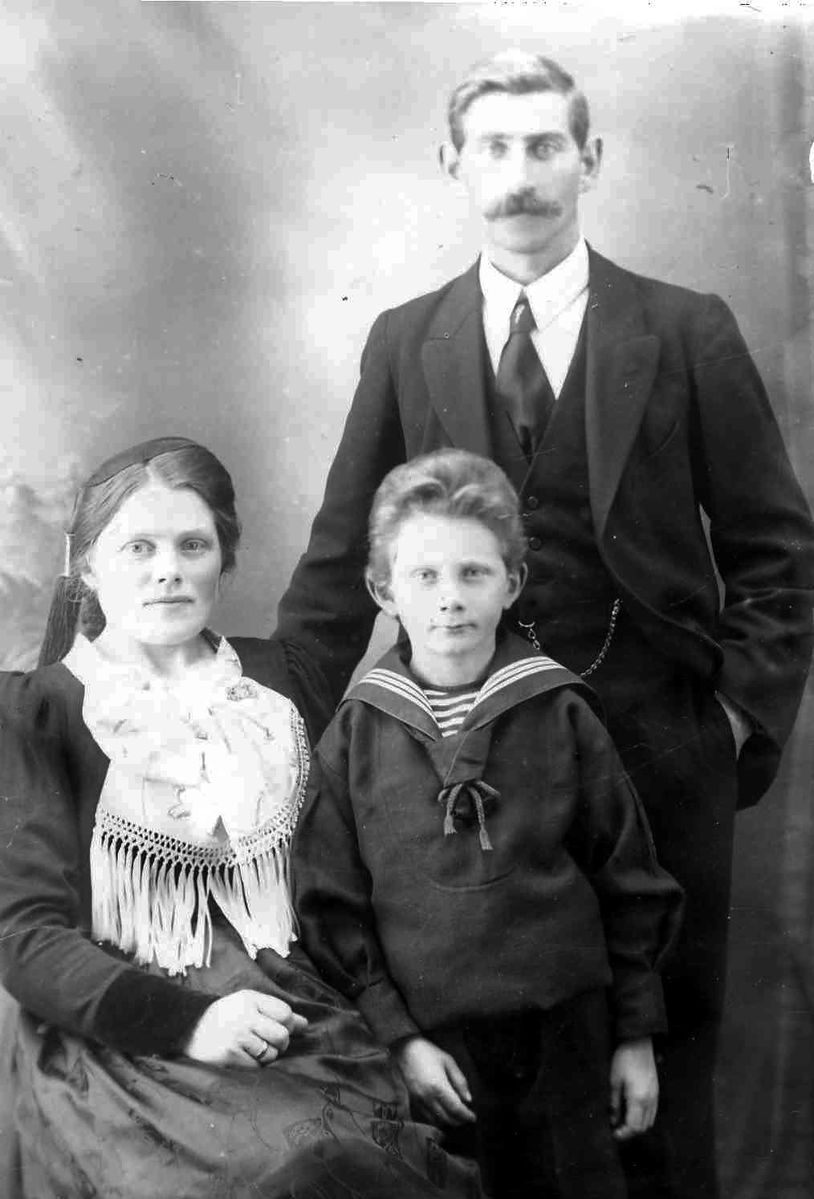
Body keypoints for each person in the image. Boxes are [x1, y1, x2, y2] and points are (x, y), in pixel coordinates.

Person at [275, 50, 814, 1198]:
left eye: (544, 145)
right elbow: (335, 564)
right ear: (453, 163)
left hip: (658, 748)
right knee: (476, 1097)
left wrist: (728, 725)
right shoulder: (405, 337)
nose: (519, 173)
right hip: (453, 765)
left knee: (657, 1082)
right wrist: (280, 738)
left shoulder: (683, 329)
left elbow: (777, 548)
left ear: (590, 158)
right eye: (494, 147)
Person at [0, 436, 483, 1199]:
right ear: (87, 564)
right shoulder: (37, 711)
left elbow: (346, 890)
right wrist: (192, 1022)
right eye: (138, 547)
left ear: (225, 560)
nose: (168, 569)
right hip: (128, 1042)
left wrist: (403, 1032)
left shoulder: (277, 680)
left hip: (305, 1018)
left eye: (193, 545)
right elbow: (23, 934)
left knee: (353, 1160)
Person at [293, 449, 684, 1199]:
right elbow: (330, 903)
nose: (450, 599)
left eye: (473, 573)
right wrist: (399, 1038)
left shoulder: (559, 710)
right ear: (383, 590)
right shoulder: (356, 733)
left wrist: (634, 1034)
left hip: (569, 1034)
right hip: (438, 1051)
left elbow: (629, 877)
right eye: (425, 576)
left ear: (512, 583)